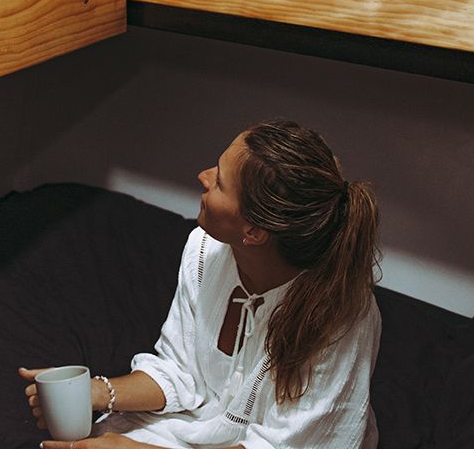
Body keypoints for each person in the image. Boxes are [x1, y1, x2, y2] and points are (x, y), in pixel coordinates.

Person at [20, 119, 382, 449]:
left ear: (254, 232)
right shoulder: (204, 250)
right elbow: (181, 372)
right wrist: (96, 393)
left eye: (221, 181)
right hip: (200, 426)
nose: (203, 176)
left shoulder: (341, 314)